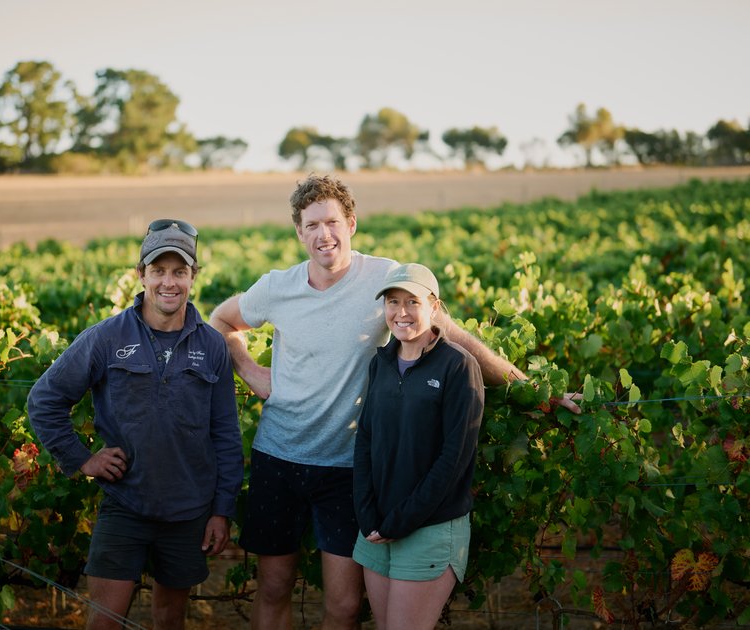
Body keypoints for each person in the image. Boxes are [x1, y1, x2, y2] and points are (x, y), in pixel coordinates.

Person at [209, 174, 579, 630]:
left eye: (331, 222)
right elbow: (221, 321)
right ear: (299, 232)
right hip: (277, 458)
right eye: (311, 226)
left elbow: (457, 337)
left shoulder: (386, 278)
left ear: (351, 224)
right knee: (273, 588)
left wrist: (531, 390)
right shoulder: (276, 287)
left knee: (344, 606)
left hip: (347, 467)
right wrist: (252, 372)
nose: (323, 235)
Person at [28, 219, 244, 630]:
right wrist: (80, 458)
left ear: (193, 277)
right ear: (140, 274)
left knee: (169, 619)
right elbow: (44, 400)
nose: (169, 282)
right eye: (158, 270)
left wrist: (222, 510)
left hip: (189, 510)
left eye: (179, 271)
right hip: (125, 505)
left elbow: (225, 434)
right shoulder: (106, 338)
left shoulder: (213, 345)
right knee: (105, 620)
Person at [353, 263, 484, 629]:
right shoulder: (380, 364)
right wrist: (367, 514)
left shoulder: (458, 367)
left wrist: (402, 521)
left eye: (413, 302)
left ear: (434, 307)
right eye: (393, 302)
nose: (401, 312)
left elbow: (453, 459)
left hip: (429, 528)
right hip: (377, 529)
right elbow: (365, 439)